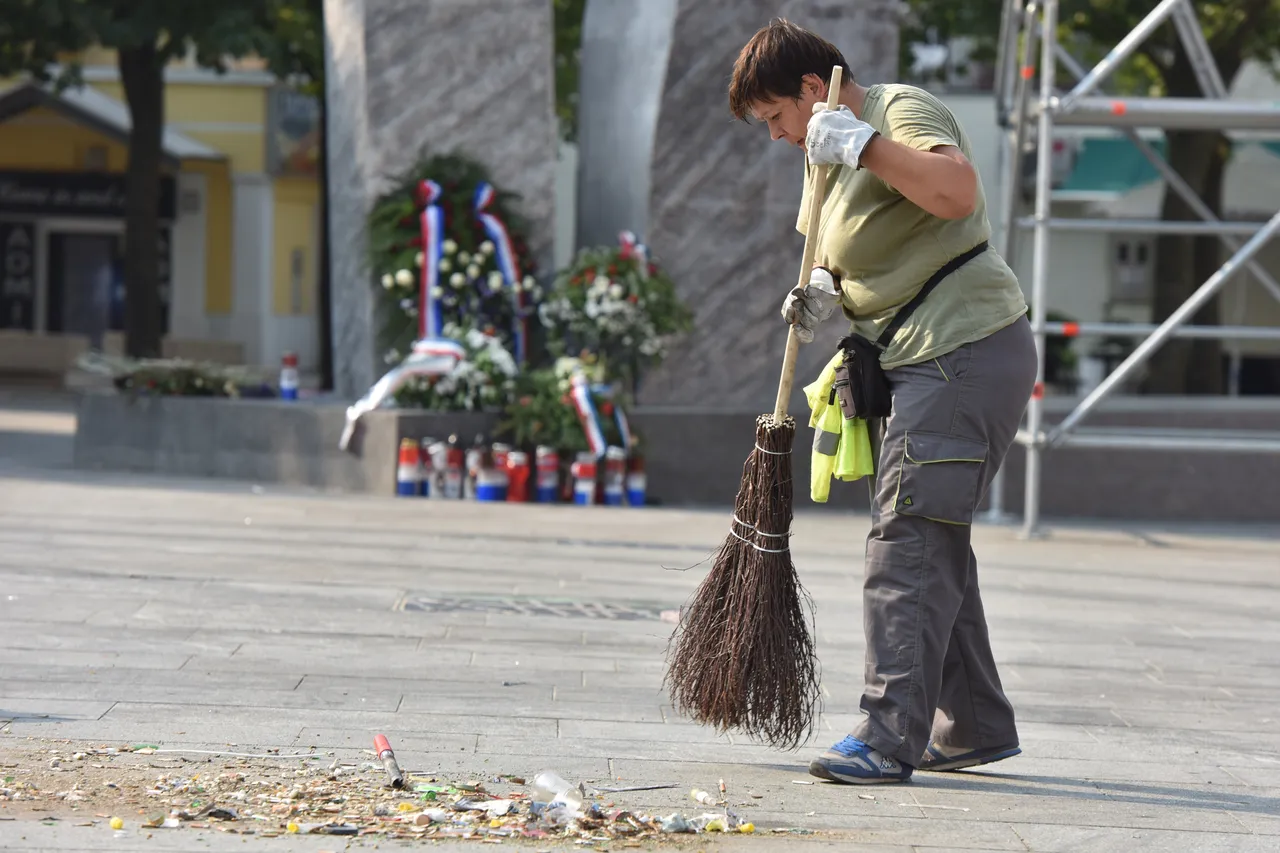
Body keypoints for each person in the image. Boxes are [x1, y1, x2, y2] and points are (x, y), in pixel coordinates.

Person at [728, 19, 1038, 785]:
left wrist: (863, 143)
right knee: (932, 535)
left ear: (813, 87)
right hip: (913, 358)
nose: (776, 136)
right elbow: (836, 252)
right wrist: (822, 293)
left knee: (908, 540)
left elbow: (955, 190)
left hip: (961, 353)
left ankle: (889, 734)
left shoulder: (900, 111)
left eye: (776, 116)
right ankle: (970, 724)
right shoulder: (818, 148)